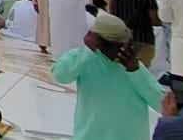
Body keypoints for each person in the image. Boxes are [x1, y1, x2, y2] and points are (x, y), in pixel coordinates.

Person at [51, 12, 162, 140]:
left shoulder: (132, 66)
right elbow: (60, 75)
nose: (122, 49)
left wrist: (136, 72)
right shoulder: (83, 59)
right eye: (116, 45)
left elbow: (160, 104)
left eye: (124, 44)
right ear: (99, 43)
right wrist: (87, 52)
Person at [108, 0, 160, 68]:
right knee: (140, 71)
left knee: (120, 68)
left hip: (120, 37)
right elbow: (154, 20)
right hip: (142, 38)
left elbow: (112, 10)